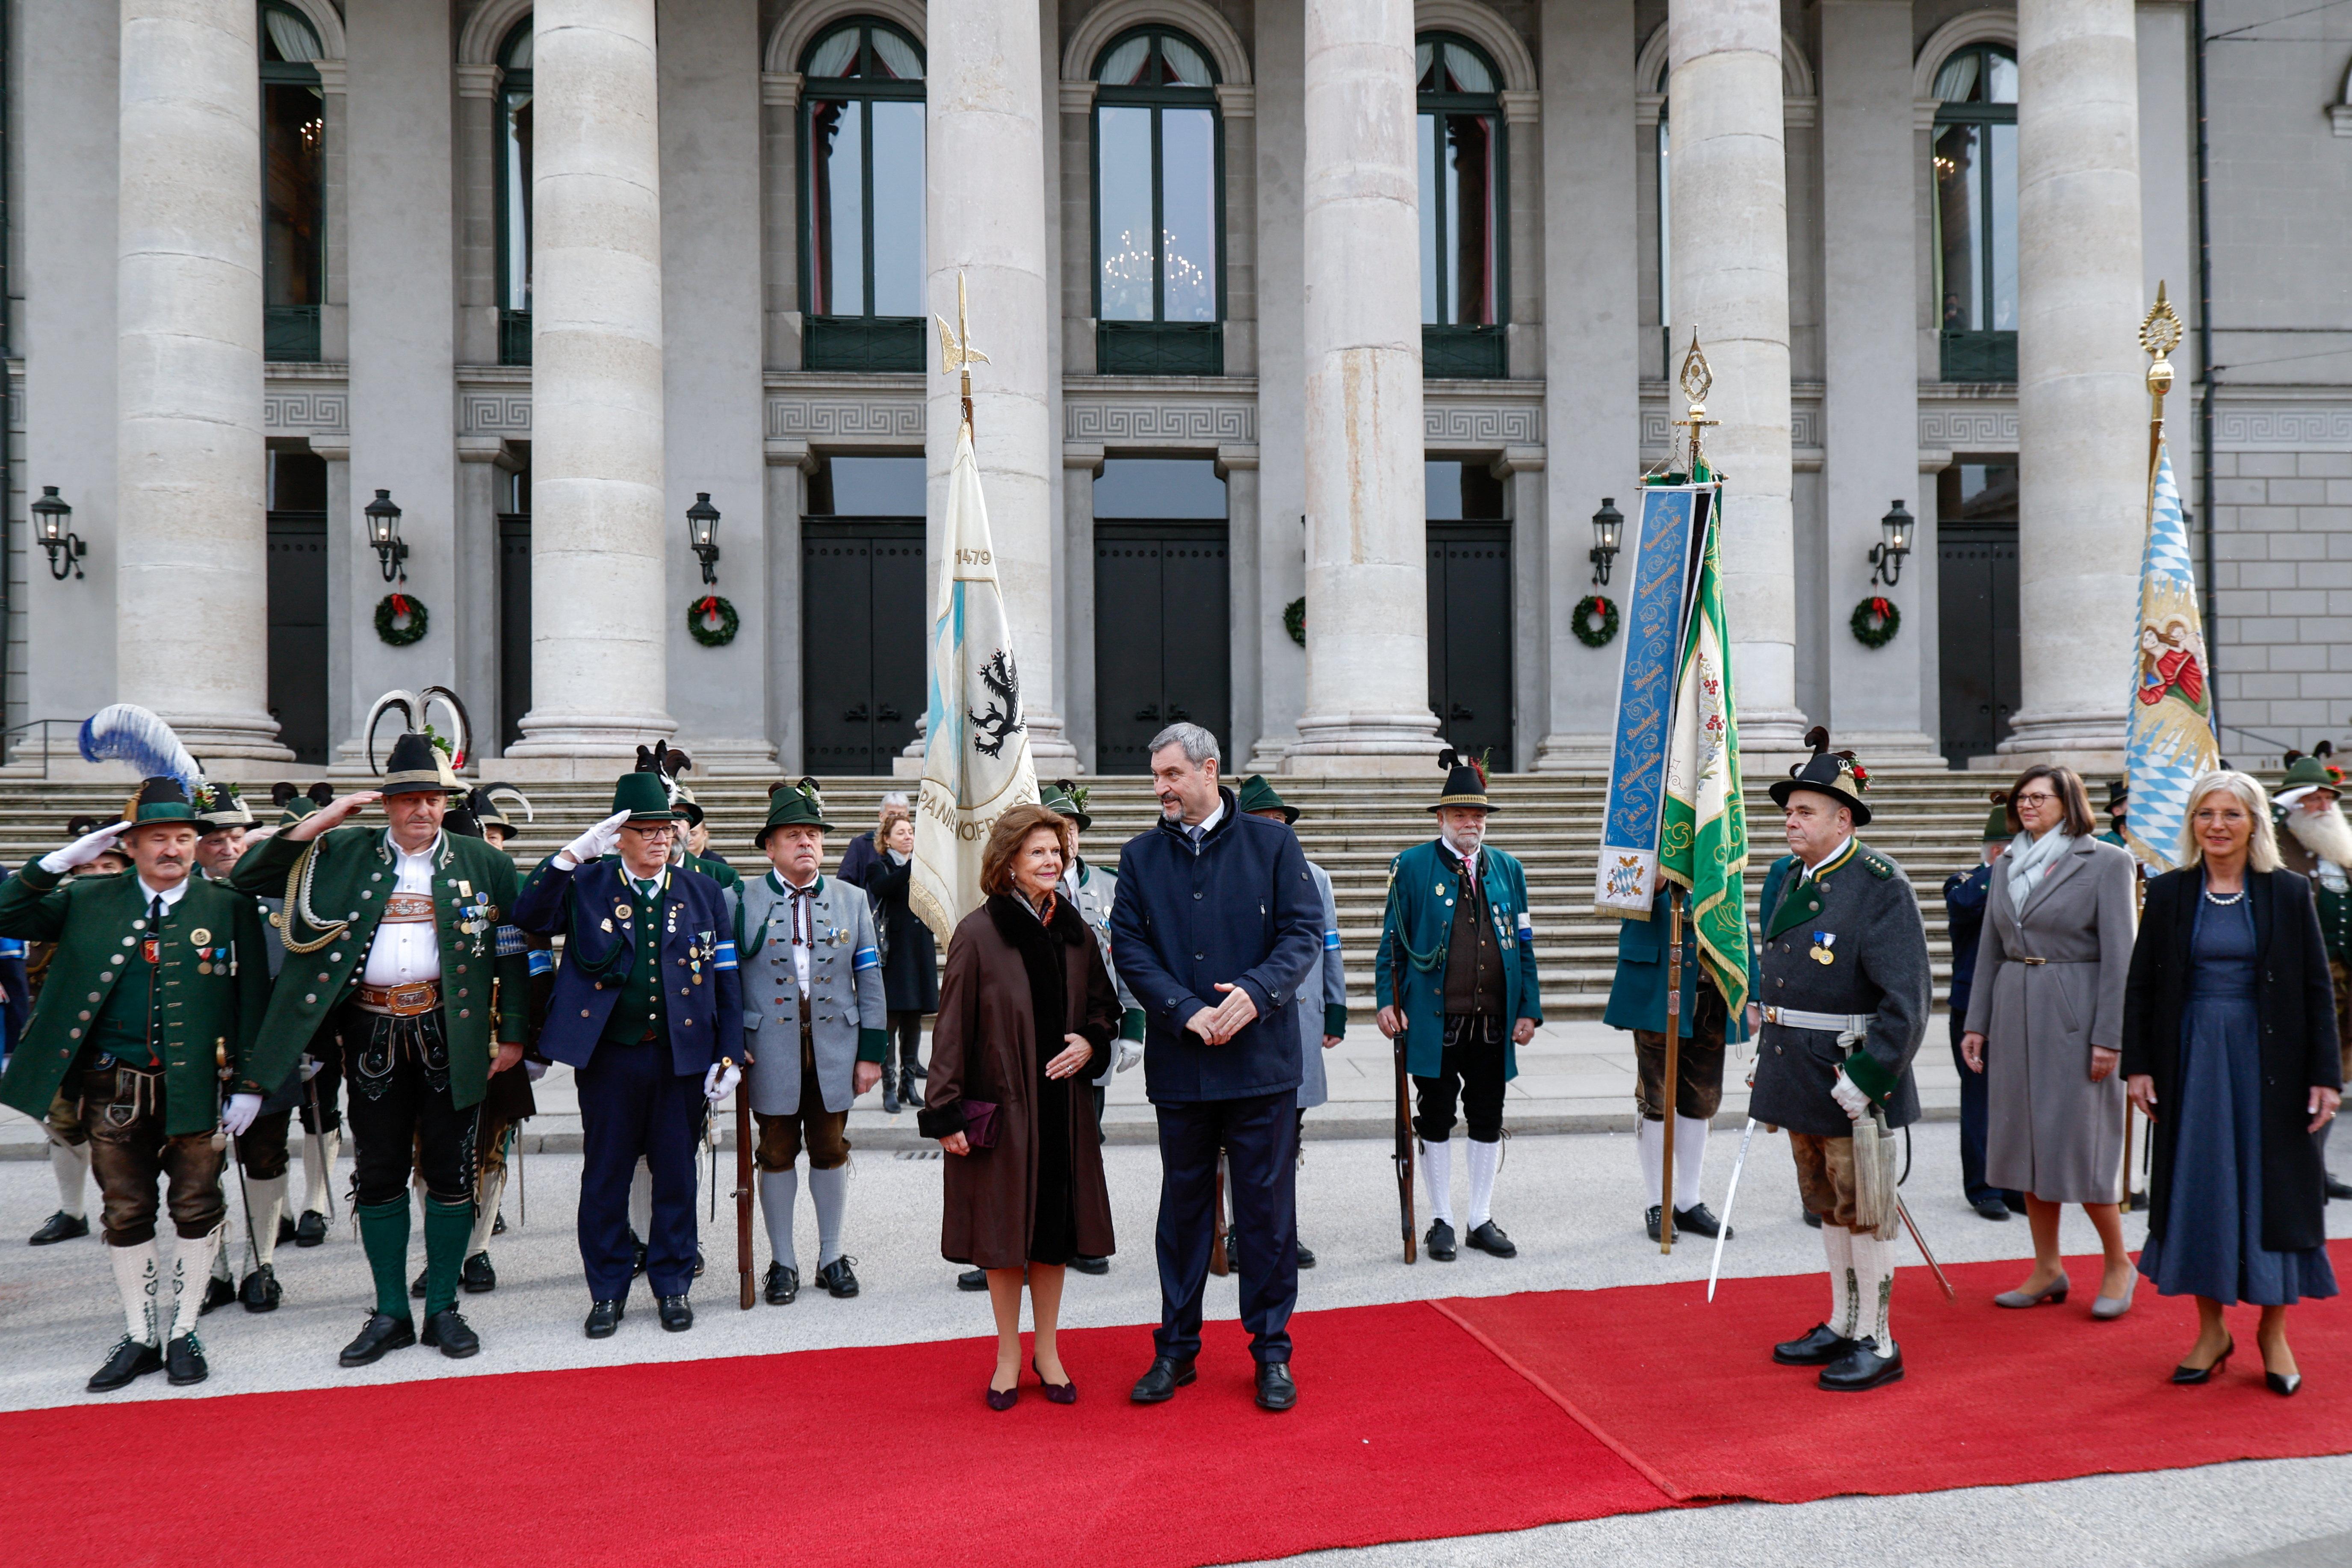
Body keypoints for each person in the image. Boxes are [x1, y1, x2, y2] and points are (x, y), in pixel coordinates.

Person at [233, 725, 530, 1368]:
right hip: (369, 1032)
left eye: (432, 797)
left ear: (447, 801)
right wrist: (324, 818)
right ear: (386, 803)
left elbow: (514, 951)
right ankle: (391, 1310)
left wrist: (512, 1035)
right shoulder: (344, 850)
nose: (422, 808)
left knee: (451, 1173)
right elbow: (249, 876)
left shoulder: (487, 862)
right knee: (379, 1172)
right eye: (407, 798)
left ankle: (445, 1307)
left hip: (452, 1030)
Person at [0, 777, 271, 1390]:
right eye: (158, 838)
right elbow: (7, 910)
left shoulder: (226, 905)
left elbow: (251, 997)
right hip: (111, 1086)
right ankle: (141, 1329)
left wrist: (251, 1083)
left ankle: (185, 1330)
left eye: (182, 837)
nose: (172, 848)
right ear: (133, 843)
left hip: (197, 1084)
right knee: (125, 1209)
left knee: (199, 1203)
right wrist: (58, 863)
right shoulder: (88, 896)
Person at [1110, 722, 1322, 1413]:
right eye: (1156, 778)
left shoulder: (1272, 844)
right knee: (1184, 1214)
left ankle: (1271, 1353)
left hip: (1261, 1065)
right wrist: (1180, 1010)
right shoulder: (1140, 857)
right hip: (1183, 1065)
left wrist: (1258, 995)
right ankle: (1176, 1348)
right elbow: (1130, 947)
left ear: (1209, 770)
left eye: (1172, 775)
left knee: (1265, 1214)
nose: (1162, 789)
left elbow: (1301, 933)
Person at [2125, 770, 2341, 1396]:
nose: (2217, 825)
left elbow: (2315, 989)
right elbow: (2142, 986)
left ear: (2254, 823)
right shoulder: (2168, 894)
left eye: (2231, 813)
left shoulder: (2288, 892)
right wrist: (2140, 1064)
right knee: (2202, 1187)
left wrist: (2327, 1076)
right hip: (2191, 1061)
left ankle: (2273, 1331)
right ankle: (2211, 1328)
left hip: (2272, 1061)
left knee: (2276, 1191)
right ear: (2192, 823)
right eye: (2205, 813)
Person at [517, 761, 742, 1337]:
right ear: (619, 835)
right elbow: (529, 917)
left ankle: (672, 1283)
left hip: (679, 1054)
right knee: (606, 1175)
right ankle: (608, 1288)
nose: (662, 839)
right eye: (648, 830)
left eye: (669, 829)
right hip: (611, 1055)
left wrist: (729, 1052)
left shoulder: (703, 889)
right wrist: (570, 856)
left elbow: (725, 977)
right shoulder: (588, 884)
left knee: (675, 1173)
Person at [1750, 729, 1930, 1393]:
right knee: (1827, 1203)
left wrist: (1870, 1077)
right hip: (1799, 1066)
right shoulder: (1787, 876)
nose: (1790, 821)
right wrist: (1768, 1050)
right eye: (1788, 811)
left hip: (1851, 1076)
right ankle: (1843, 1319)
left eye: (1805, 811)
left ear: (1843, 818)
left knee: (1867, 1208)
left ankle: (1880, 1339)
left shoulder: (1879, 884)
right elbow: (1781, 977)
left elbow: (1908, 1000)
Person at [921, 804, 1118, 1409]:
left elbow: (1103, 1008)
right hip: (1003, 1107)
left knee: (1054, 1233)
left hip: (1062, 1107)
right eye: (1038, 852)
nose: (1053, 860)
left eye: (1057, 851)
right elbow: (950, 1027)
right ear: (1007, 863)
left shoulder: (1076, 929)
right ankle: (1009, 1351)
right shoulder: (978, 931)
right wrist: (946, 1109)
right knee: (1006, 1234)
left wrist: (1092, 1040)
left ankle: (1048, 1348)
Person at [1960, 766, 2141, 1317]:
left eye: (2040, 797)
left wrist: (2110, 1036)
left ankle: (2117, 1262)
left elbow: (2121, 956)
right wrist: (1977, 1023)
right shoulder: (2009, 861)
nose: (2028, 805)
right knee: (2024, 1145)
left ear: (2069, 803)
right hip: (2015, 1009)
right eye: (2023, 797)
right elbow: (1990, 950)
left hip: (2076, 1011)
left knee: (2080, 1146)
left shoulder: (2107, 861)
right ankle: (2047, 1266)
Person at [1377, 751, 1542, 1261]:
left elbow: (1524, 941)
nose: (1471, 824)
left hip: (1494, 1019)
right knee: (1436, 1116)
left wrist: (1528, 1008)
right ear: (1441, 819)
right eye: (1461, 816)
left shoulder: (1509, 868)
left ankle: (1479, 1218)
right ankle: (1441, 1220)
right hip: (1434, 1020)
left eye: (1478, 816)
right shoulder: (1411, 865)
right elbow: (1391, 945)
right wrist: (1388, 999)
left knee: (1488, 1116)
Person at [737, 780, 886, 1305]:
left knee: (829, 1148)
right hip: (767, 1049)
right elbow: (725, 979)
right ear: (770, 846)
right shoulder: (741, 898)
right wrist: (732, 1040)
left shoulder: (852, 898)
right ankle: (782, 1262)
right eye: (794, 834)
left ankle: (831, 1255)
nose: (807, 842)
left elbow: (870, 978)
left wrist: (872, 1053)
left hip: (836, 1049)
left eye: (814, 835)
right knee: (775, 1150)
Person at [192, 783, 302, 1313]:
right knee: (198, 1168)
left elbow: (300, 979)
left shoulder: (275, 898)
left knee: (265, 1157)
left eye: (236, 837)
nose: (228, 848)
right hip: (193, 1054)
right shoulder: (180, 900)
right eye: (214, 840)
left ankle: (263, 1263)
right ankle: (211, 1269)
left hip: (263, 1048)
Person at [1235, 776, 1344, 1270]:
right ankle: (1241, 1230)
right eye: (1267, 821)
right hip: (1247, 1022)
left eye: (1282, 822)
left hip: (1299, 1024)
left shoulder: (1315, 877)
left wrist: (1336, 1010)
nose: (1277, 829)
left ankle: (1283, 1229)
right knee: (1242, 1137)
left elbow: (1330, 948)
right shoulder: (1227, 873)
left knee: (1288, 1135)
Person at [1604, 880, 1744, 1244]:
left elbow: (1736, 919)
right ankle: (1657, 1201)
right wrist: (1658, 882)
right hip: (1657, 984)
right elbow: (1620, 890)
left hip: (1711, 990)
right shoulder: (1642, 825)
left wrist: (1753, 991)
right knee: (1657, 1098)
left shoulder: (1719, 834)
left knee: (1702, 1100)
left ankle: (1688, 1200)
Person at [1046, 778, 1145, 1276]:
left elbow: (1128, 960)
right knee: (1031, 1138)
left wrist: (1136, 1026)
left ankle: (1084, 1235)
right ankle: (1028, 1239)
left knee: (1087, 1137)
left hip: (1094, 1034)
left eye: (1071, 828)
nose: (1065, 839)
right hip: (1038, 1037)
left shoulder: (1108, 885)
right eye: (1055, 828)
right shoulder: (1017, 887)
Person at [265, 782, 344, 1248]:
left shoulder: (330, 892)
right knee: (268, 1122)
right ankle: (280, 1209)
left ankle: (315, 1203)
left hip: (320, 1018)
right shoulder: (259, 887)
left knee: (322, 1108)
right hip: (269, 1022)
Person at [2272, 750, 2352, 1200]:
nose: (2324, 806)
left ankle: (2318, 1167)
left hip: (2343, 981)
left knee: (2333, 1077)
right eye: (2314, 798)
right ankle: (2298, 1167)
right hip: (2300, 982)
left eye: (2328, 798)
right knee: (2301, 1076)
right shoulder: (2278, 846)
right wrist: (2283, 806)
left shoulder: (2342, 850)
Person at [1944, 793, 2022, 1221]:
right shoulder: (1964, 882)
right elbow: (1963, 906)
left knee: (2018, 1097)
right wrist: (2001, 867)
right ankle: (1983, 1186)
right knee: (1980, 1097)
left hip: (2022, 1000)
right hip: (1975, 1005)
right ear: (1997, 850)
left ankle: (2013, 1184)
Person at [858, 805, 935, 1119]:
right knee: (891, 1021)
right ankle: (889, 1087)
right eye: (902, 832)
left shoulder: (925, 868)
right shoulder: (880, 866)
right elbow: (881, 890)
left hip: (919, 950)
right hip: (894, 951)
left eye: (911, 832)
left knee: (915, 1022)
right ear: (887, 839)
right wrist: (913, 867)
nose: (909, 836)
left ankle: (909, 1085)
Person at [836, 792, 912, 892]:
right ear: (881, 816)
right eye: (891, 814)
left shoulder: (914, 846)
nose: (896, 819)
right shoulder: (861, 845)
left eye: (901, 815)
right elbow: (845, 882)